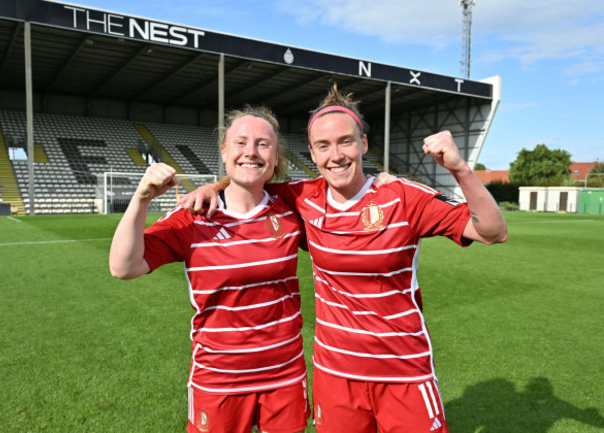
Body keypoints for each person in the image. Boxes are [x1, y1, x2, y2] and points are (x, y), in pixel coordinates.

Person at [179, 85, 508, 433]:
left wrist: (460, 169)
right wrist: (211, 187)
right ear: (313, 152)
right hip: (334, 376)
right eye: (324, 145)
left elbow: (492, 231)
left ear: (364, 144)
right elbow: (248, 176)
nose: (335, 155)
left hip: (403, 370)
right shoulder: (303, 198)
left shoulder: (403, 197)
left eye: (345, 141)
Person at [109, 105, 311, 433]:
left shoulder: (290, 207)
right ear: (224, 151)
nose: (251, 152)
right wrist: (142, 198)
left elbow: (346, 200)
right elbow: (123, 266)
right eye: (241, 142)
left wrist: (384, 181)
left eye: (263, 144)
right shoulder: (194, 215)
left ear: (275, 157)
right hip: (220, 377)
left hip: (285, 372)